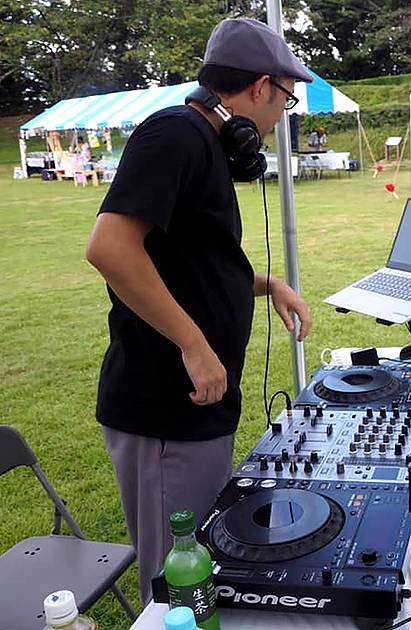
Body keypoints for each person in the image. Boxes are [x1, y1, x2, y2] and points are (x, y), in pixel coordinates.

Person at [85, 17, 314, 604]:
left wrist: (267, 283)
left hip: (195, 406)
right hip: (167, 407)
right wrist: (194, 345)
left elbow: (192, 261)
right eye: (286, 100)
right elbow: (110, 248)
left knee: (200, 564)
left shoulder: (201, 143)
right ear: (261, 87)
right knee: (179, 581)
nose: (279, 118)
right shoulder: (176, 135)